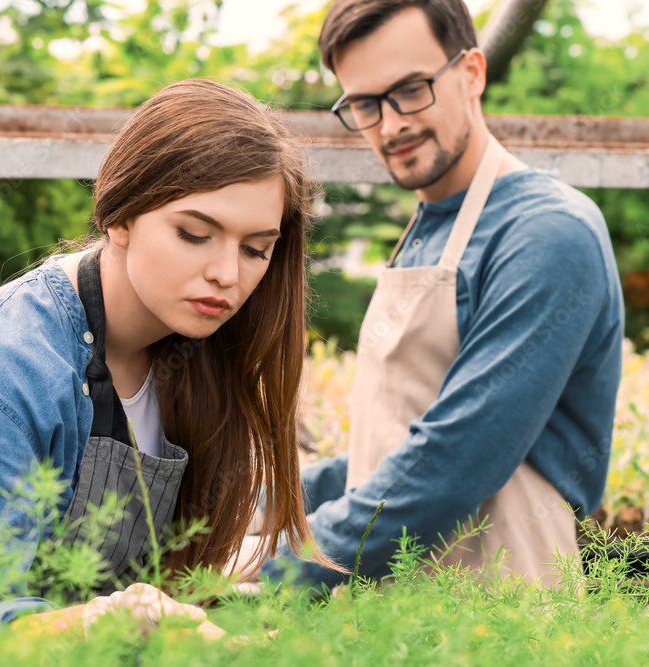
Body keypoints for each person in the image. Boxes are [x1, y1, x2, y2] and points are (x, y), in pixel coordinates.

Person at [0, 78, 340, 628]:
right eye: (195, 234)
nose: (227, 274)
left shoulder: (203, 352)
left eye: (255, 249)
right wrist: (112, 625)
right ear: (119, 216)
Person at [250, 0, 625, 589]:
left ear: (472, 72)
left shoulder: (546, 233)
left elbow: (453, 460)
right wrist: (249, 506)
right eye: (365, 104)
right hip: (399, 610)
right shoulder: (427, 229)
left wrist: (271, 574)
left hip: (499, 613)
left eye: (411, 89)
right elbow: (394, 446)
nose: (391, 124)